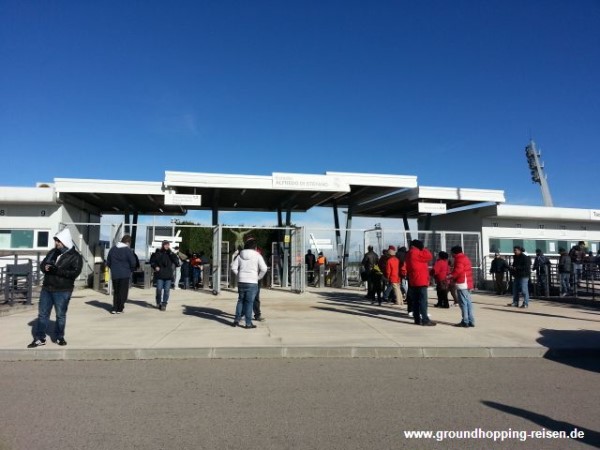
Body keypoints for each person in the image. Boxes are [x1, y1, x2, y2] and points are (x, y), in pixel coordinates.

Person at [28, 228, 83, 348]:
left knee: (60, 315)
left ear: (65, 241)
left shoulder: (75, 256)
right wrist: (45, 267)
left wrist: (56, 270)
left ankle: (59, 337)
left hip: (63, 290)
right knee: (42, 315)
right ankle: (39, 338)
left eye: (59, 241)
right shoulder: (53, 252)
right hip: (47, 288)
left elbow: (74, 273)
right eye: (56, 241)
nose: (56, 243)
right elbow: (43, 264)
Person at [230, 237, 268, 328]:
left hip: (241, 281)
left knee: (240, 301)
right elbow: (264, 268)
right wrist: (258, 277)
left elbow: (233, 267)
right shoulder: (257, 255)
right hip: (252, 281)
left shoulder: (240, 255)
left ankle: (236, 320)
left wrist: (239, 275)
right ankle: (248, 323)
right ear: (255, 247)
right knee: (249, 303)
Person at [405, 239, 435, 326]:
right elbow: (429, 256)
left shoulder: (409, 253)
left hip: (413, 279)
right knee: (423, 301)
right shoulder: (417, 252)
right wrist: (424, 248)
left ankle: (417, 319)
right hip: (421, 280)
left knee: (416, 301)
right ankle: (425, 319)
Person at [106, 234, 137, 314]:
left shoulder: (113, 249)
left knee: (116, 291)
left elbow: (108, 261)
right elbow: (133, 262)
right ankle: (120, 308)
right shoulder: (127, 250)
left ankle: (114, 308)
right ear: (128, 242)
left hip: (115, 274)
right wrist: (131, 269)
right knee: (123, 292)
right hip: (125, 274)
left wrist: (112, 268)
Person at [150, 240, 179, 311]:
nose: (166, 246)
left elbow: (177, 262)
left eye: (168, 245)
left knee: (166, 290)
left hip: (168, 275)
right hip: (160, 274)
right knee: (159, 289)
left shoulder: (171, 254)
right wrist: (155, 267)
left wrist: (172, 254)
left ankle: (164, 304)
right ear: (162, 245)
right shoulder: (158, 253)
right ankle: (158, 302)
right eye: (165, 245)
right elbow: (152, 261)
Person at [449, 246, 474, 327]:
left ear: (454, 252)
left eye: (451, 252)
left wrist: (450, 276)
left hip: (462, 283)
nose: (451, 254)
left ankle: (465, 321)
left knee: (463, 303)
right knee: (468, 303)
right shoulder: (465, 257)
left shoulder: (459, 259)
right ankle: (471, 320)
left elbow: (458, 271)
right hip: (467, 283)